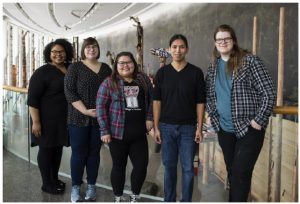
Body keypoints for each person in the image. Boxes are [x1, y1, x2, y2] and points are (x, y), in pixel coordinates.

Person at [205, 24, 276, 202]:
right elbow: (210, 96)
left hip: (249, 129)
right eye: (219, 39)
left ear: (233, 40)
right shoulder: (213, 67)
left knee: (240, 173)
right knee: (233, 172)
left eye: (226, 39)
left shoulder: (250, 61)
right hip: (225, 129)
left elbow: (268, 92)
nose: (223, 42)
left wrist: (258, 120)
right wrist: (214, 119)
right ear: (215, 43)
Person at [152, 34, 205, 202]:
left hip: (188, 128)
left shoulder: (196, 72)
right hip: (166, 127)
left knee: (188, 169)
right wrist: (156, 126)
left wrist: (199, 127)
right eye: (174, 47)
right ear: (169, 50)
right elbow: (157, 102)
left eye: (181, 47)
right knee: (169, 168)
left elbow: (200, 102)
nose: (178, 50)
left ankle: (186, 200)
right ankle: (169, 199)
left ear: (187, 49)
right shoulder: (162, 73)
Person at [96, 51, 153, 202]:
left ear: (134, 64)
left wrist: (149, 118)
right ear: (116, 66)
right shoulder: (109, 82)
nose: (125, 66)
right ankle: (118, 197)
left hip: (139, 134)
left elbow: (152, 100)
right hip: (117, 134)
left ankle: (135, 195)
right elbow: (100, 107)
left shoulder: (142, 79)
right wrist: (104, 130)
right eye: (121, 63)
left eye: (128, 62)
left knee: (141, 166)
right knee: (119, 166)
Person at [64, 37, 112, 202]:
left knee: (94, 154)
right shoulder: (75, 67)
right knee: (78, 154)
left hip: (100, 119)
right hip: (78, 118)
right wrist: (85, 111)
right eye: (88, 47)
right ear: (83, 49)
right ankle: (76, 187)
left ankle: (91, 185)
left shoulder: (105, 68)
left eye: (95, 47)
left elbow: (112, 91)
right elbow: (69, 92)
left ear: (98, 49)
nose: (91, 49)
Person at [27, 38, 73, 194]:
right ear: (49, 54)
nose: (58, 55)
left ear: (66, 52)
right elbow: (32, 99)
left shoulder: (70, 68)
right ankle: (47, 183)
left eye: (61, 51)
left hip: (62, 121)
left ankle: (54, 179)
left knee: (57, 150)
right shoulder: (42, 72)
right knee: (46, 151)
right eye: (54, 52)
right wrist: (36, 122)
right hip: (45, 120)